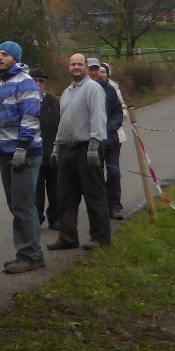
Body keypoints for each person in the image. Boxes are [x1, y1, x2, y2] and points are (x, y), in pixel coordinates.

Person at [0, 40, 47, 274]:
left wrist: (22, 148)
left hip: (25, 154)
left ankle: (30, 256)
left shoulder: (26, 83)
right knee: (14, 204)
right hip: (5, 153)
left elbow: (30, 117)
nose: (0, 58)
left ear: (16, 59)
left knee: (23, 205)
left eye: (5, 54)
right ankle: (29, 252)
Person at [48, 52, 110, 250]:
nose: (76, 67)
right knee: (65, 195)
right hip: (68, 149)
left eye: (79, 64)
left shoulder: (93, 89)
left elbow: (98, 117)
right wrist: (57, 147)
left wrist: (94, 146)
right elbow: (63, 122)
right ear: (69, 67)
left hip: (87, 148)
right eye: (73, 64)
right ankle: (68, 237)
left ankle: (100, 237)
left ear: (86, 68)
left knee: (94, 194)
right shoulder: (67, 92)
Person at [92, 60, 128, 219]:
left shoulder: (110, 89)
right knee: (96, 175)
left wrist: (108, 129)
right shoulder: (83, 90)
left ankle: (115, 206)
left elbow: (118, 112)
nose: (96, 73)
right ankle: (101, 208)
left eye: (98, 70)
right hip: (93, 143)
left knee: (113, 173)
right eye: (92, 69)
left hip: (111, 140)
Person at [33, 68, 61, 231]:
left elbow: (61, 125)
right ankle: (36, 218)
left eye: (41, 81)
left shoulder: (53, 102)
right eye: (34, 81)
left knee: (55, 189)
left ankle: (55, 218)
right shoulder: (25, 102)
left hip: (52, 153)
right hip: (34, 154)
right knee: (36, 191)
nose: (38, 84)